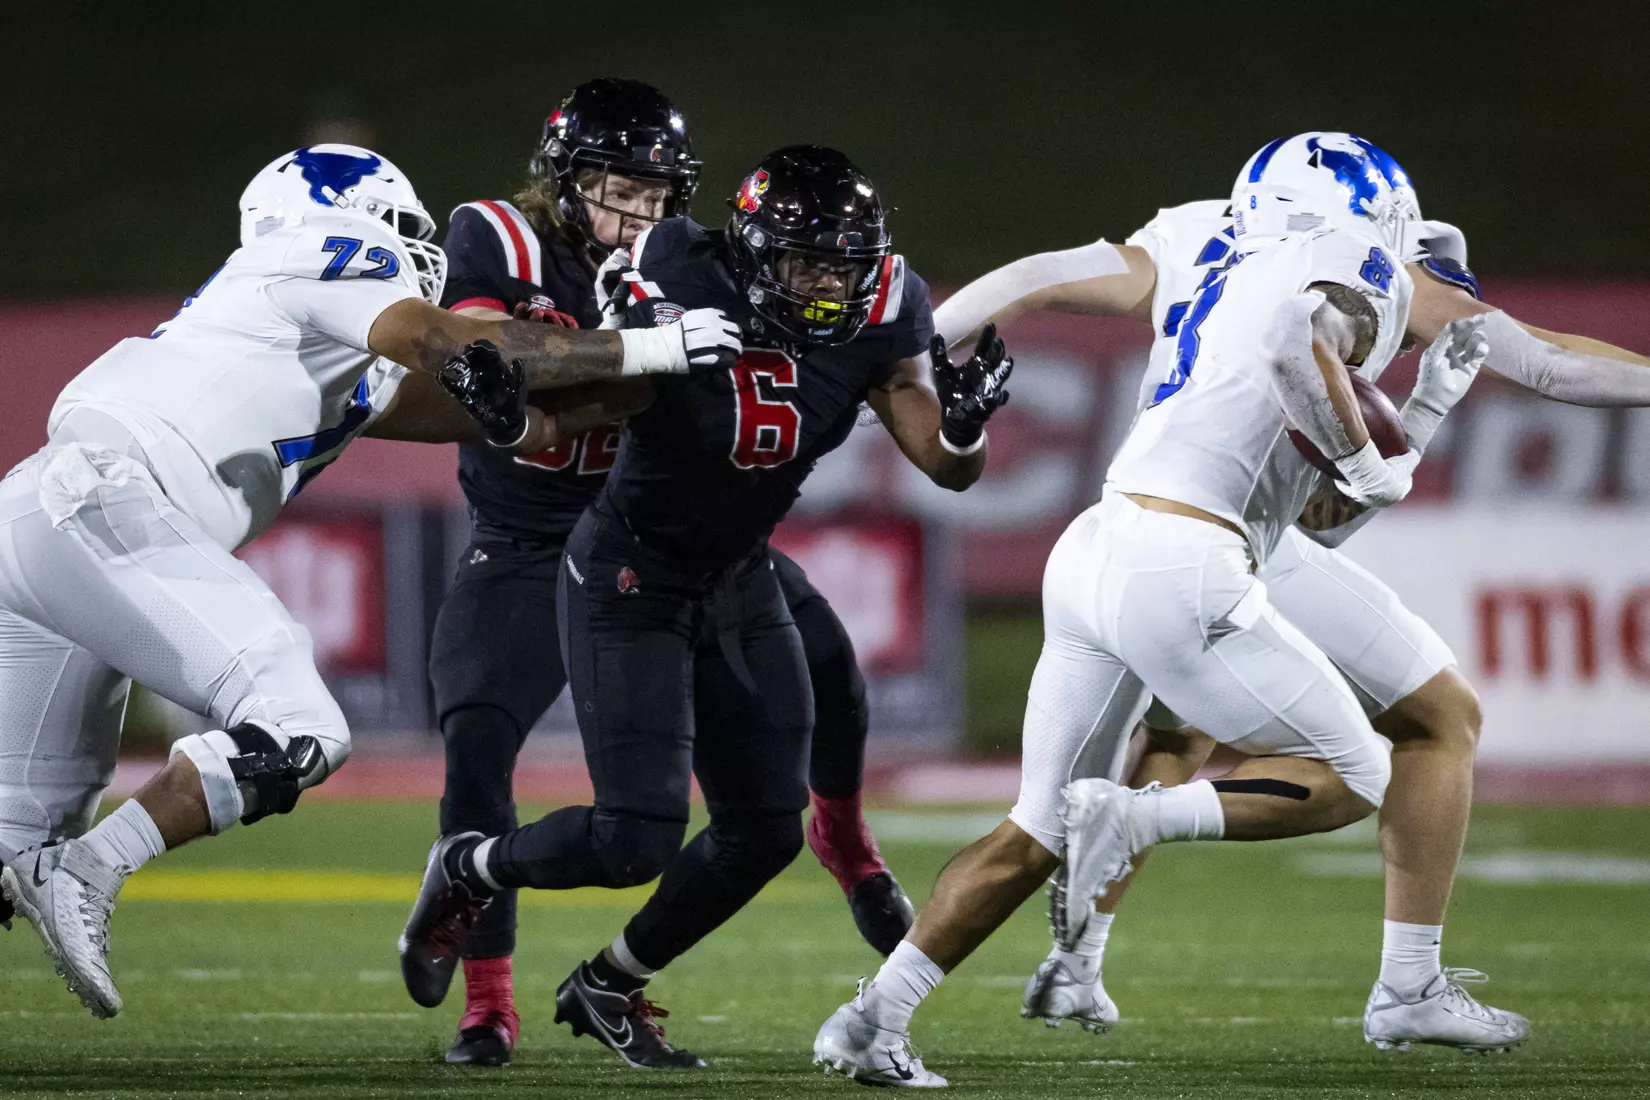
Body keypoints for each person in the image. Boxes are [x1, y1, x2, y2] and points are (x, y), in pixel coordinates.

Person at [926, 152, 1650, 1055]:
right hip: (1222, 536)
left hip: (1163, 520)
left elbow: (1030, 278)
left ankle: (1079, 958)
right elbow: (1546, 364)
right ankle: (1407, 984)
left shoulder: (1201, 235)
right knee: (1415, 726)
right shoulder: (1357, 264)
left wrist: (915, 364)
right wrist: (1389, 445)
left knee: (1176, 739)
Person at [0, 142, 743, 1019]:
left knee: (15, 836)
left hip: (49, 519)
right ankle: (94, 867)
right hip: (102, 503)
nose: (418, 251)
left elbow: (520, 419)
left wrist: (651, 373)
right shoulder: (317, 253)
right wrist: (644, 342)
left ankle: (56, 864)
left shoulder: (322, 344)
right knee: (299, 728)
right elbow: (451, 338)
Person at [814, 132, 1493, 1086]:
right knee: (1355, 775)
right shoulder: (1317, 304)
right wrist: (1411, 427)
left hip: (1099, 541)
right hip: (1183, 564)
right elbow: (1327, 500)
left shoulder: (1212, 252)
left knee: (1035, 831)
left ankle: (873, 1016)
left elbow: (1041, 275)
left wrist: (908, 358)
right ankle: (1138, 825)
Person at [399, 145, 1011, 1069]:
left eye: (846, 267)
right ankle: (468, 866)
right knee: (631, 839)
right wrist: (515, 414)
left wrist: (963, 430)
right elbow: (581, 412)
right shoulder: (681, 272)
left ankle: (608, 981)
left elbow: (947, 466)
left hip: (738, 575)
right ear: (755, 250)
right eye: (808, 263)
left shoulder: (886, 304)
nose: (830, 286)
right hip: (630, 574)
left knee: (763, 831)